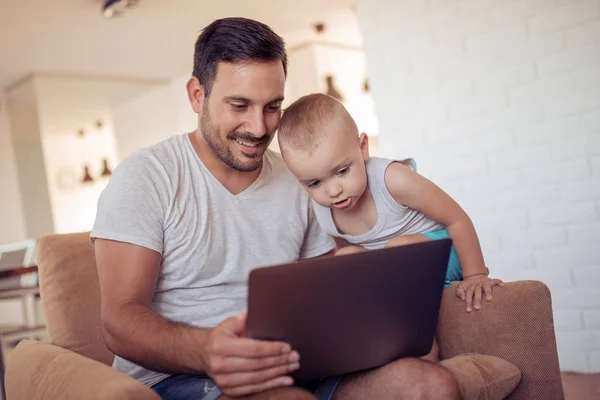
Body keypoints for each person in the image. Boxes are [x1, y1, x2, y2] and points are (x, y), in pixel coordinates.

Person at [91, 17, 460, 400]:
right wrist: (206, 350)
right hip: (180, 379)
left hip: (299, 365)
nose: (259, 127)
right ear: (197, 95)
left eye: (272, 107)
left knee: (431, 386)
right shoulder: (147, 176)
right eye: (239, 105)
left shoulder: (301, 180)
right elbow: (118, 320)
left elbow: (326, 284)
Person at [276, 93, 505, 361]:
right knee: (345, 259)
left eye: (342, 171)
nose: (333, 190)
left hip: (441, 253)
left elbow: (457, 218)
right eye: (314, 183)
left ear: (362, 148)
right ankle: (369, 346)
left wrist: (476, 275)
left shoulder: (392, 180)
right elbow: (354, 255)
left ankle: (425, 354)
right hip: (398, 271)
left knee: (398, 249)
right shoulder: (323, 211)